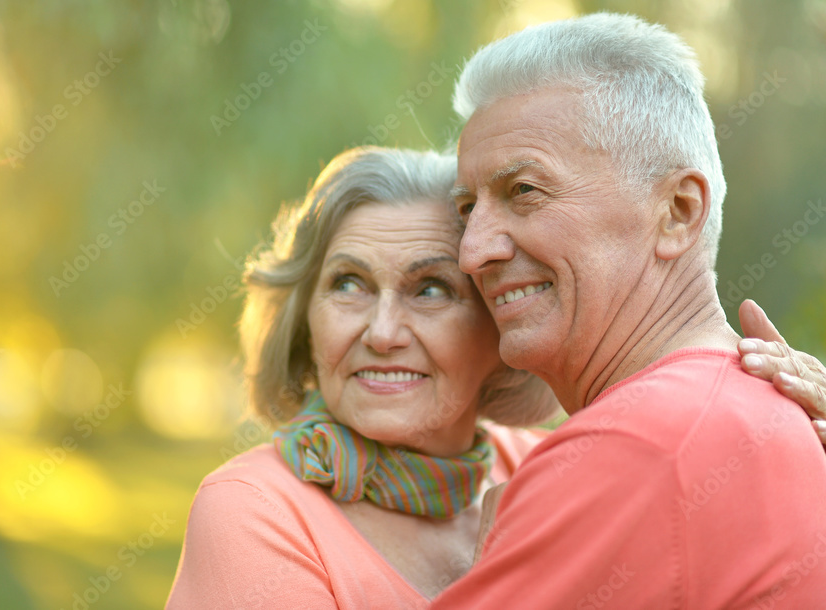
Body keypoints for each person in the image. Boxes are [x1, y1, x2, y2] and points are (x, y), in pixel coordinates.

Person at [167, 146, 826, 608]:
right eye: (349, 284)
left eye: (431, 290)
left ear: (500, 325)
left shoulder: (556, 466)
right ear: (305, 324)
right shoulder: (253, 509)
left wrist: (799, 448)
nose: (383, 331)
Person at [434, 13, 826, 608]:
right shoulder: (766, 413)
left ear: (678, 210)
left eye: (524, 192)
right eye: (467, 210)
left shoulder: (638, 445)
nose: (472, 252)